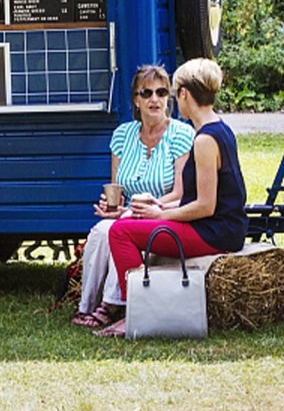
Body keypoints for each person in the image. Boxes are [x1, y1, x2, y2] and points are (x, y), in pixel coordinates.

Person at [99, 57, 248, 338]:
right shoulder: (220, 128)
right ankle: (136, 302)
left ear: (184, 94)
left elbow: (206, 206)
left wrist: (161, 214)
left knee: (120, 232)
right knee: (129, 224)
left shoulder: (204, 140)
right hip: (221, 227)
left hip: (215, 232)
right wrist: (157, 206)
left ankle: (136, 312)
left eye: (172, 92)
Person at [70, 65, 194, 329]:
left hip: (164, 214)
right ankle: (87, 304)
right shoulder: (122, 135)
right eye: (146, 93)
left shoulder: (182, 134)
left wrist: (143, 208)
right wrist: (112, 206)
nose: (154, 99)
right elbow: (117, 188)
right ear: (136, 100)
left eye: (161, 92)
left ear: (169, 98)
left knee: (119, 229)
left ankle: (111, 304)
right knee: (101, 230)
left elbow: (180, 193)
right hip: (130, 214)